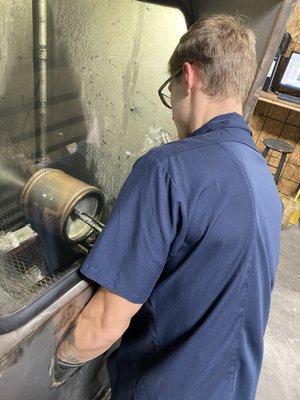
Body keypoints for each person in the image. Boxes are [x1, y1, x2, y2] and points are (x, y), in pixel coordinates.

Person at [55, 14, 283, 399]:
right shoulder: (262, 178)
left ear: (188, 77)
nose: (171, 106)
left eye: (170, 89)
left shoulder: (167, 169)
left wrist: (56, 364)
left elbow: (104, 324)